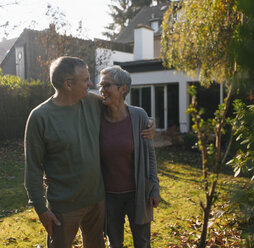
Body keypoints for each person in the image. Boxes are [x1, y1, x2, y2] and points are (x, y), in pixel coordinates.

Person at [24, 56, 155, 248]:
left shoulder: (93, 103)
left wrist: (148, 122)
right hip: (63, 207)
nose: (92, 84)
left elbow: (121, 108)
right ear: (69, 84)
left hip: (97, 202)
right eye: (85, 80)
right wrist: (41, 209)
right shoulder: (40, 117)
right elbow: (33, 168)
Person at [98, 65, 161, 248]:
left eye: (107, 85)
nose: (102, 90)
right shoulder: (97, 115)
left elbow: (150, 155)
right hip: (109, 197)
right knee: (114, 243)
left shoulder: (139, 116)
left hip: (138, 195)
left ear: (122, 88)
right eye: (100, 85)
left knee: (142, 243)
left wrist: (154, 188)